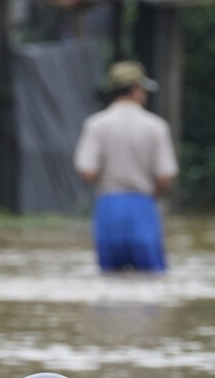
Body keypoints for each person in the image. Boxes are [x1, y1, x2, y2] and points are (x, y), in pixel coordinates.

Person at [75, 59, 178, 273]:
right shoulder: (156, 126)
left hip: (108, 208)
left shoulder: (96, 124)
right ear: (136, 90)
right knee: (151, 285)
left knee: (109, 284)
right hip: (143, 207)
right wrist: (152, 194)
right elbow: (165, 177)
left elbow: (87, 171)